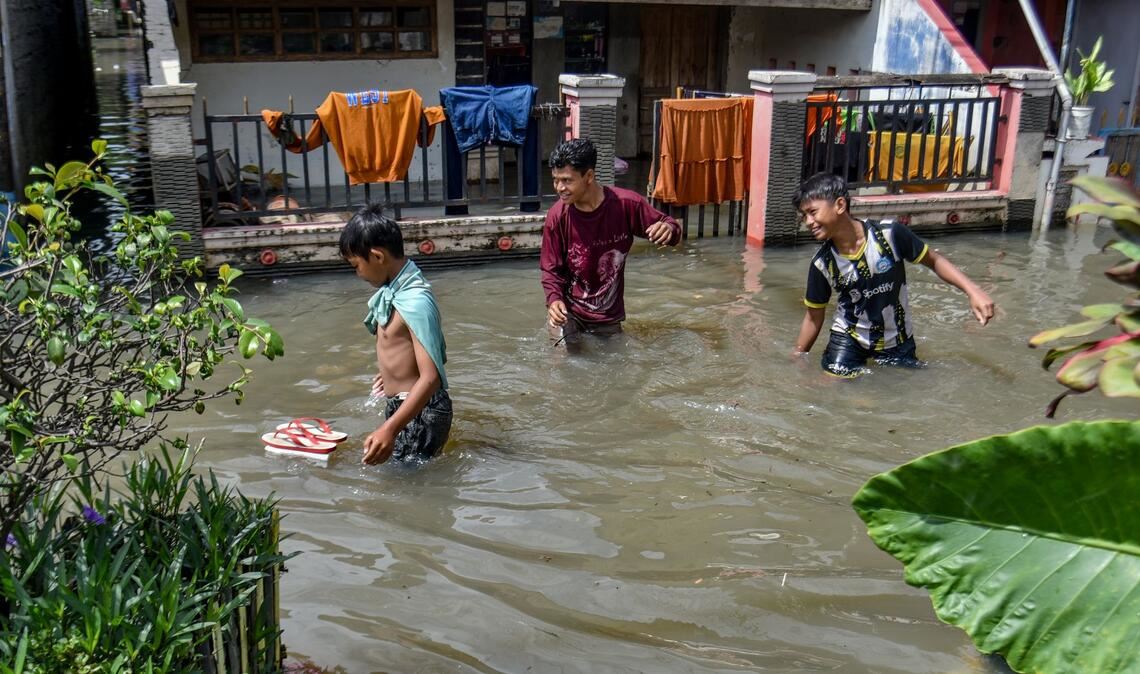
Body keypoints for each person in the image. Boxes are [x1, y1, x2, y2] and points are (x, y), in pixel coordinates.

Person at [791, 173, 995, 376]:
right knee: (833, 385)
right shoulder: (822, 263)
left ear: (840, 205)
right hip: (849, 338)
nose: (808, 221)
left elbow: (934, 261)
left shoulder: (889, 235)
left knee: (908, 382)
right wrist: (798, 356)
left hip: (897, 337)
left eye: (812, 212)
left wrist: (973, 291)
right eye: (804, 216)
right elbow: (813, 317)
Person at [340, 204, 452, 464]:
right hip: (407, 406)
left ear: (377, 256)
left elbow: (431, 377)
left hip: (421, 410)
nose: (357, 274)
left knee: (405, 479)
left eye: (356, 265)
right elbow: (405, 348)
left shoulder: (415, 302)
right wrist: (392, 374)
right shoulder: (396, 293)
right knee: (393, 471)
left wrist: (389, 429)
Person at [540, 138, 682, 342]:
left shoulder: (625, 204)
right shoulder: (557, 216)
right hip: (569, 312)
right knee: (565, 352)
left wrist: (668, 229)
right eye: (556, 180)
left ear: (589, 176)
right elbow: (550, 269)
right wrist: (554, 300)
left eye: (567, 180)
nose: (559, 187)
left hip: (607, 316)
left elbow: (671, 227)